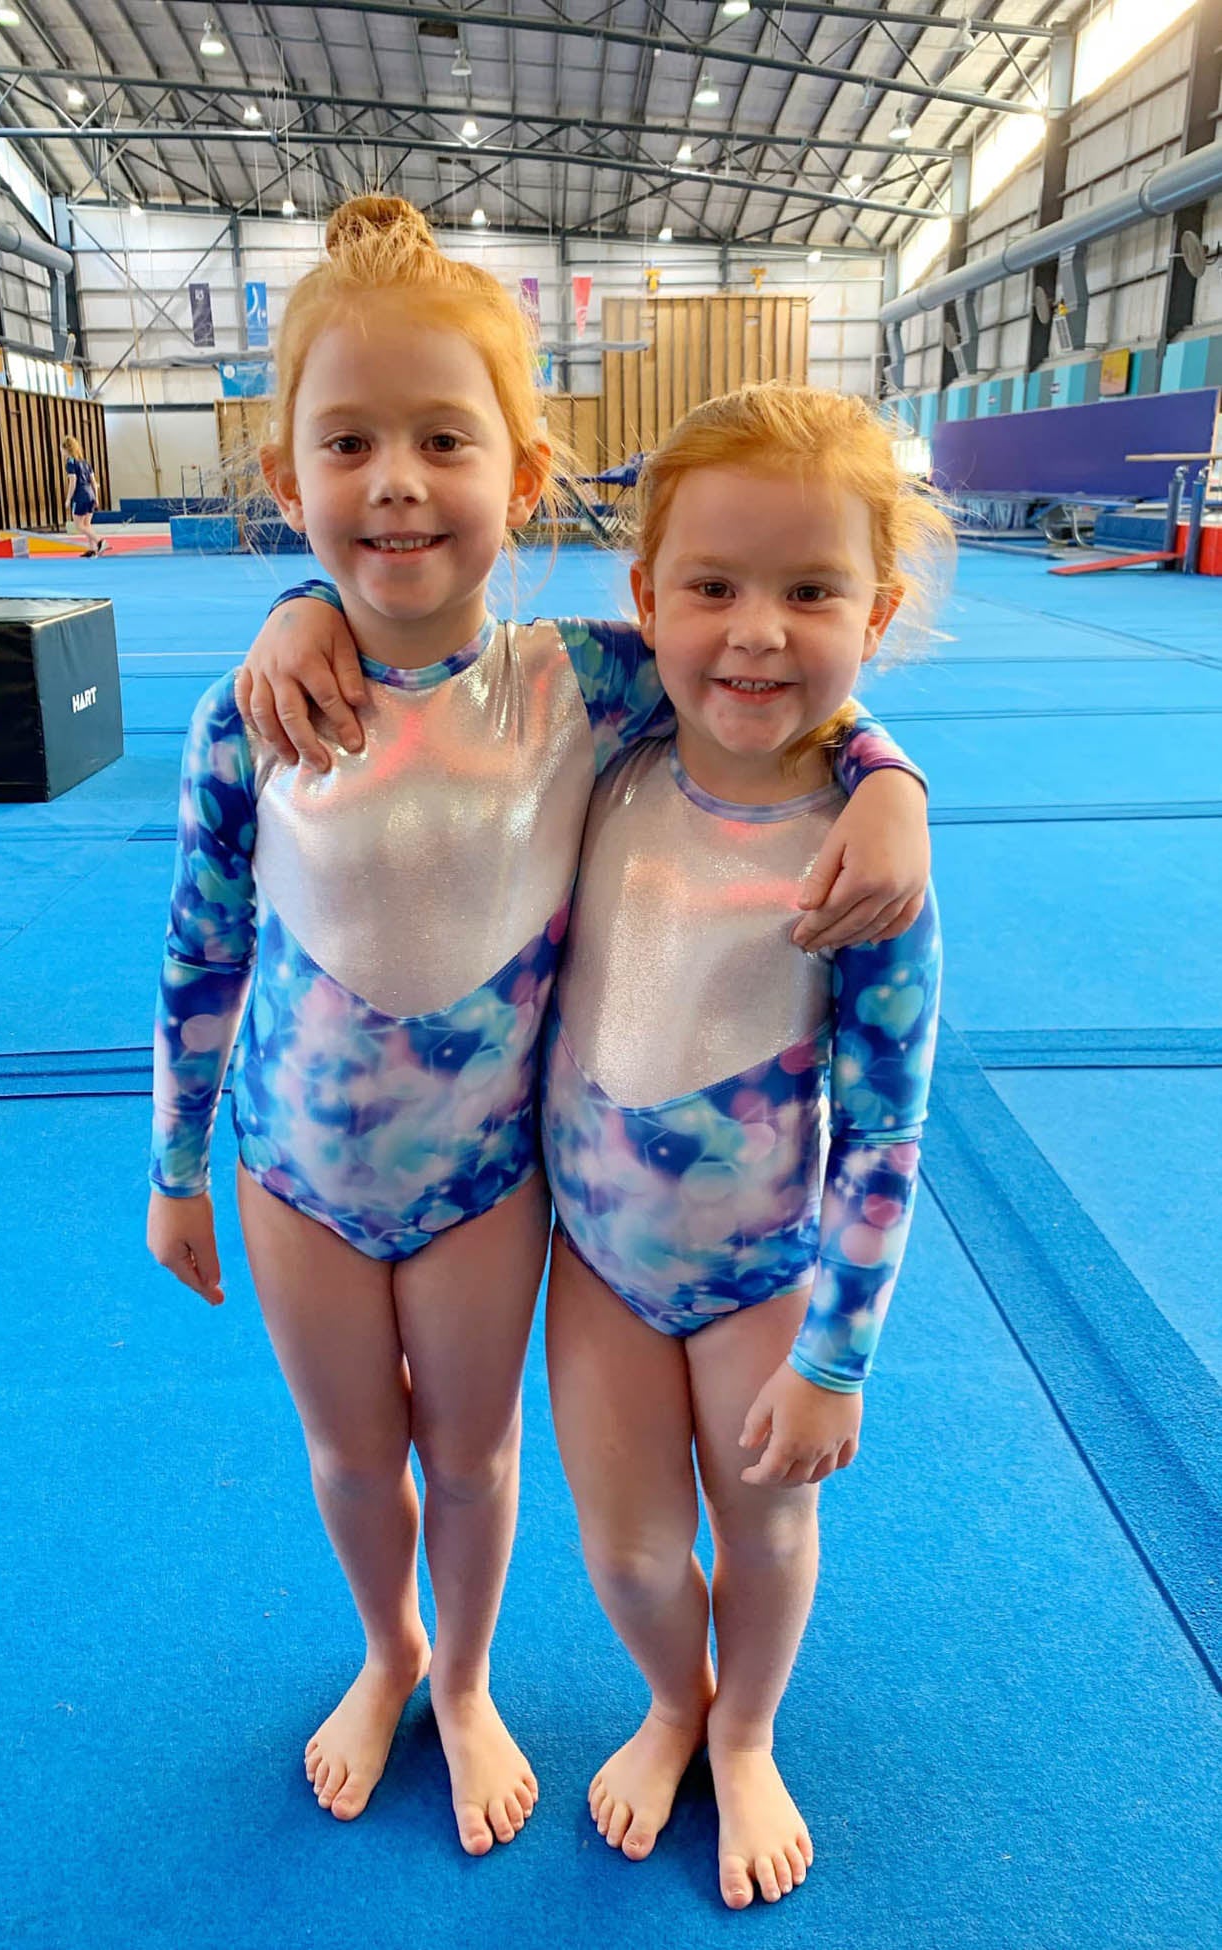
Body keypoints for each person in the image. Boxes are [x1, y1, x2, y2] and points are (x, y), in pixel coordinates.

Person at [147, 192, 932, 1862]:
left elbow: (765, 678)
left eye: (444, 439)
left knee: (477, 1453)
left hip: (492, 1184)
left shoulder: (592, 678)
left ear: (523, 473)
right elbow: (203, 944)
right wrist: (175, 1160)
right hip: (291, 1173)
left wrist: (891, 777)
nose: (397, 480)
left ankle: (469, 1679)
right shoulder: (254, 707)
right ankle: (390, 1652)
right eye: (348, 443)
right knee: (350, 1454)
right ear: (284, 478)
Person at [540, 382, 948, 1909]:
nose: (758, 632)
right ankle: (676, 1698)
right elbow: (428, 656)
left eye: (812, 592)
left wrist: (836, 1354)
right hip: (596, 1256)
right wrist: (302, 611)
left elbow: (889, 1125)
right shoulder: (609, 738)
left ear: (877, 611)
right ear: (647, 597)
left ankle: (749, 1727)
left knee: (768, 1527)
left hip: (763, 1271)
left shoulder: (867, 870)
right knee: (633, 1555)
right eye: (712, 587)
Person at [61, 435, 102, 555]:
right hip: (90, 494)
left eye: (62, 449)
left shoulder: (70, 463)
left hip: (80, 496)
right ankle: (92, 549)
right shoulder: (85, 462)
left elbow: (73, 481)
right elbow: (93, 482)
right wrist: (96, 498)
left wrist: (68, 499)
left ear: (66, 449)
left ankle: (99, 541)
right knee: (87, 524)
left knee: (78, 525)